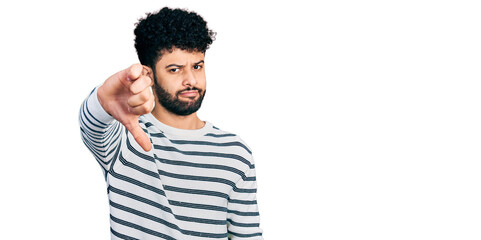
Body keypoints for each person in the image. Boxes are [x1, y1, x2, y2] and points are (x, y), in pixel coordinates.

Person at [79, 7, 263, 240]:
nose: (191, 80)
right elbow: (91, 125)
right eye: (175, 69)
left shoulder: (236, 153)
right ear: (149, 73)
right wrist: (102, 100)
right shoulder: (125, 139)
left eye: (197, 66)